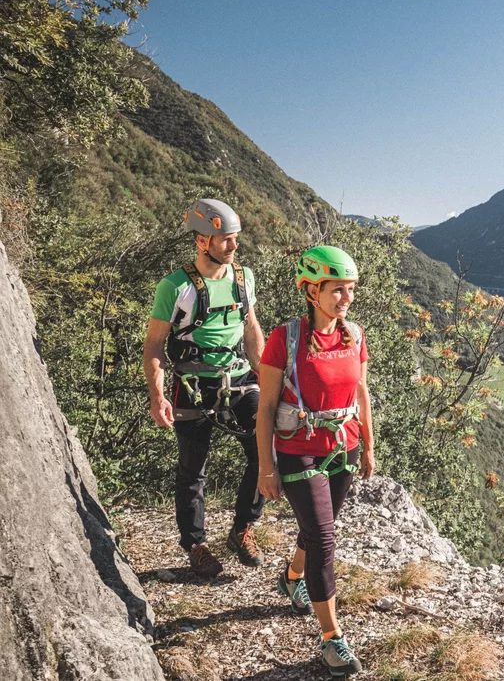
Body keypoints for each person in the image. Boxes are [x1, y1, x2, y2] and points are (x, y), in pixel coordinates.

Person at [256, 245, 374, 678]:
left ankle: (291, 576)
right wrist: (266, 468)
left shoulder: (355, 335)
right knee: (324, 539)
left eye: (350, 290)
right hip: (298, 448)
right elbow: (266, 408)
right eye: (337, 290)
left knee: (317, 530)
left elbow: (360, 393)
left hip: (343, 447)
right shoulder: (283, 339)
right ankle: (331, 640)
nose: (345, 298)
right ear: (311, 290)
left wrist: (369, 447)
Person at [144, 198, 268, 578]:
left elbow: (250, 329)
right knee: (192, 468)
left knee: (266, 451)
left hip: (239, 376)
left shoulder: (244, 278)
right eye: (225, 240)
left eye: (234, 239)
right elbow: (154, 344)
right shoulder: (175, 286)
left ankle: (242, 529)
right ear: (201, 240)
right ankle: (195, 544)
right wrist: (158, 395)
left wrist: (266, 375)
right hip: (192, 381)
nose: (233, 246)